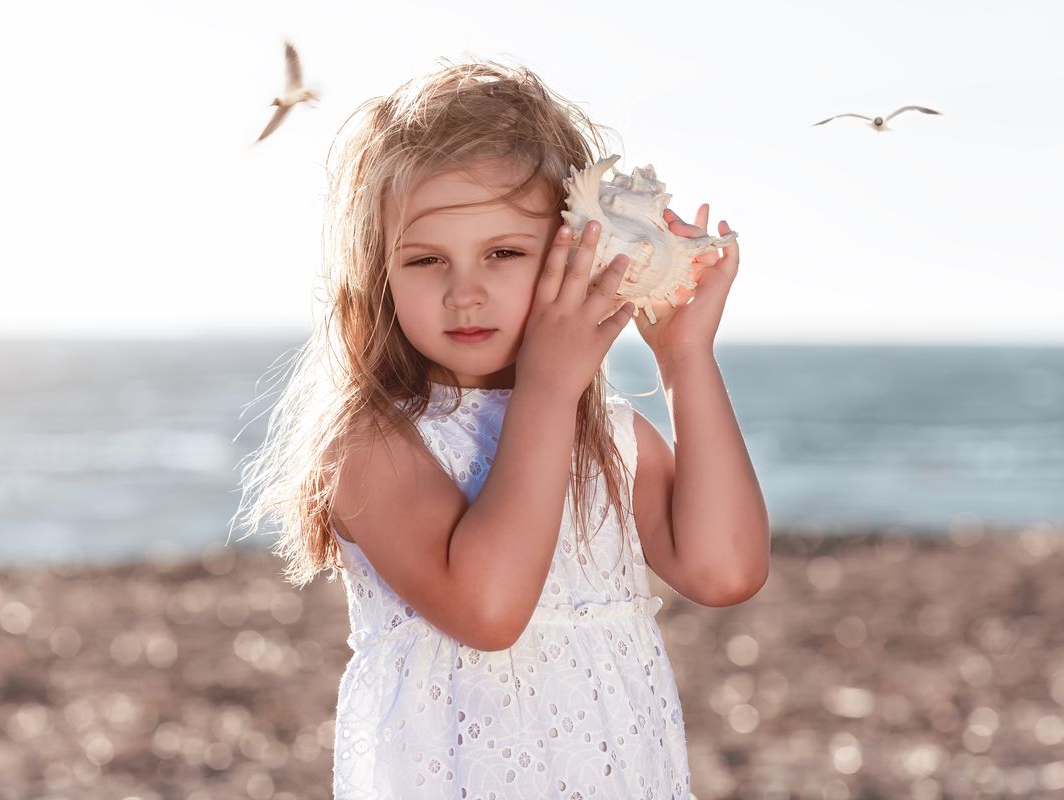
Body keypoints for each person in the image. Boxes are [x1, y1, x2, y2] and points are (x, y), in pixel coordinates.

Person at [234, 59, 769, 800]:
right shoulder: (372, 445)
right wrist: (548, 391)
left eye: (504, 253)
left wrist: (684, 358)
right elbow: (489, 611)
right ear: (378, 278)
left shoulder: (606, 439)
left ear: (574, 248)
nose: (465, 291)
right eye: (425, 261)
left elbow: (725, 570)